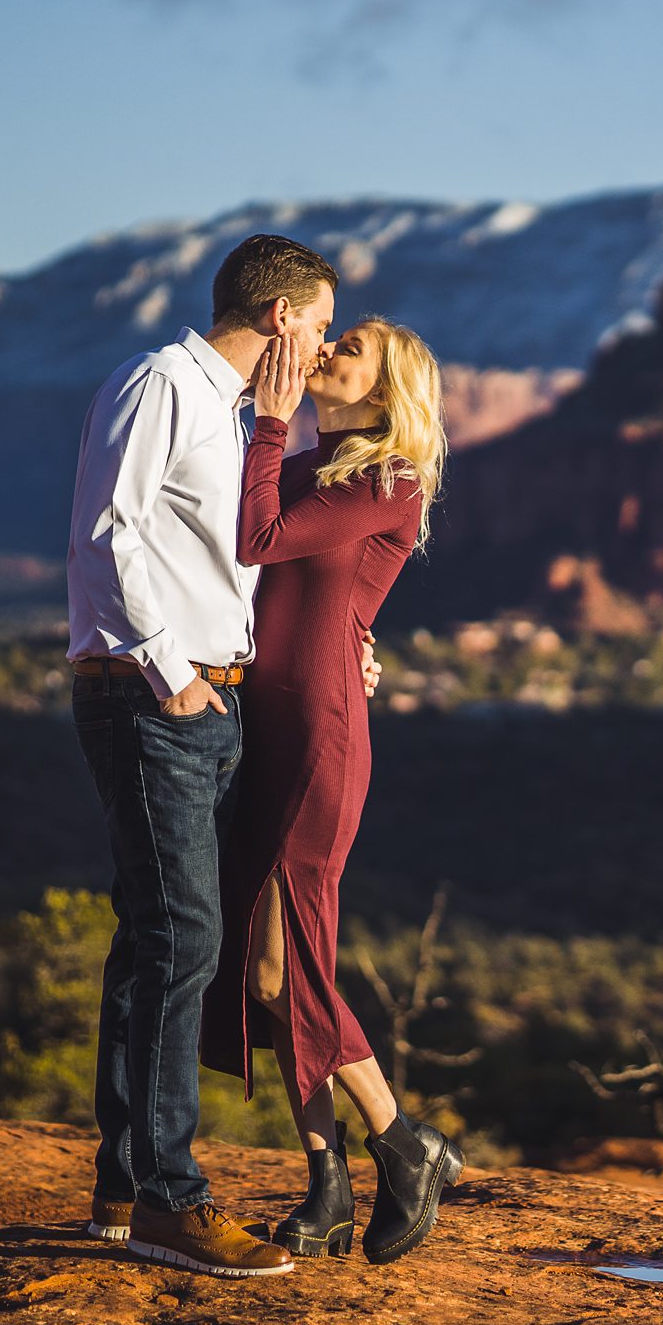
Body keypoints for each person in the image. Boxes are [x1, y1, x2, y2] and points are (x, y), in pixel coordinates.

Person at [65, 232, 341, 1279]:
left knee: (153, 938)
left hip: (206, 702)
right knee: (185, 937)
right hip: (155, 699)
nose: (320, 348)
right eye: (318, 325)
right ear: (279, 316)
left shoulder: (231, 416)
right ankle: (170, 1200)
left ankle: (123, 1179)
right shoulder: (162, 384)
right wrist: (165, 669)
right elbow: (109, 530)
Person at [202, 315, 465, 1265]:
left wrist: (268, 421)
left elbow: (258, 536)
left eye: (345, 347)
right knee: (269, 975)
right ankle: (327, 1185)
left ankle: (404, 1141)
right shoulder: (318, 465)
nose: (327, 353)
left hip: (319, 735)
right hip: (265, 729)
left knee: (288, 967)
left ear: (382, 388)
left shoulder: (384, 480)